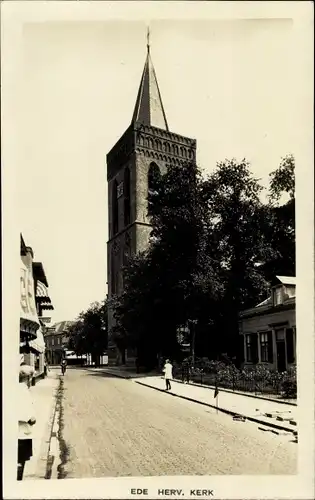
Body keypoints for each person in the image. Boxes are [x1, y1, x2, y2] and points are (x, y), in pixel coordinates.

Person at [17, 364, 36, 480]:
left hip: (19, 432)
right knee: (20, 461)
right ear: (27, 378)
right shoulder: (23, 391)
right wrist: (32, 419)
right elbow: (28, 416)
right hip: (22, 432)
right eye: (31, 378)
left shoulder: (17, 389)